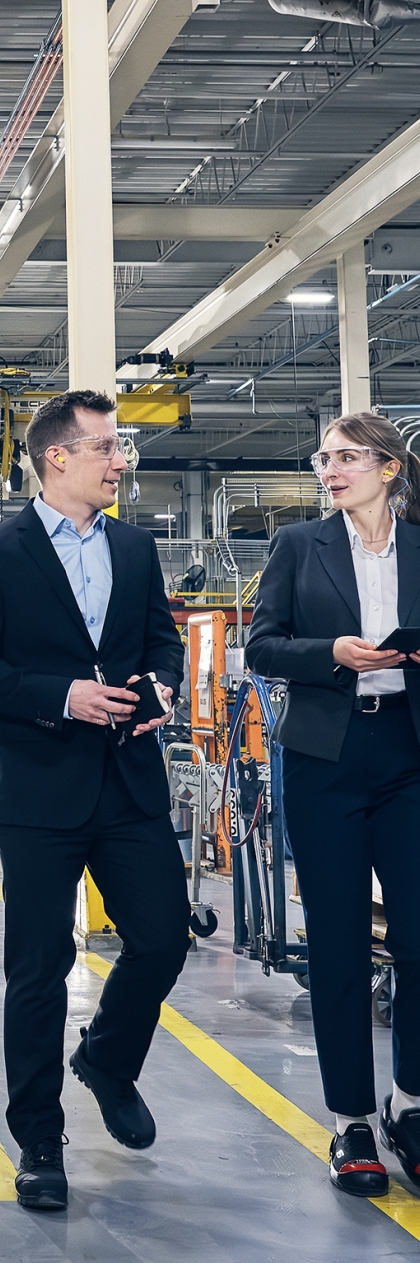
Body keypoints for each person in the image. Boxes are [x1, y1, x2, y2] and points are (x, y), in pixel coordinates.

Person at [0, 389, 190, 1211]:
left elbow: (162, 638)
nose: (120, 461)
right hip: (41, 790)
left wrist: (159, 683)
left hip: (128, 780)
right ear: (59, 456)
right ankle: (39, 1142)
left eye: (118, 450)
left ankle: (108, 1061)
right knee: (39, 968)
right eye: (107, 448)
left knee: (160, 938)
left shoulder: (135, 546)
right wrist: (63, 696)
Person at [247, 411, 420, 1198]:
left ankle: (409, 1103)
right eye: (324, 458)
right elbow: (262, 645)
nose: (331, 468)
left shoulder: (419, 546)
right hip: (326, 759)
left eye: (348, 456)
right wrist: (333, 655)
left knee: (419, 939)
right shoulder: (298, 546)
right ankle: (352, 1118)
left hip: (409, 758)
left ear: (390, 467)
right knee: (343, 945)